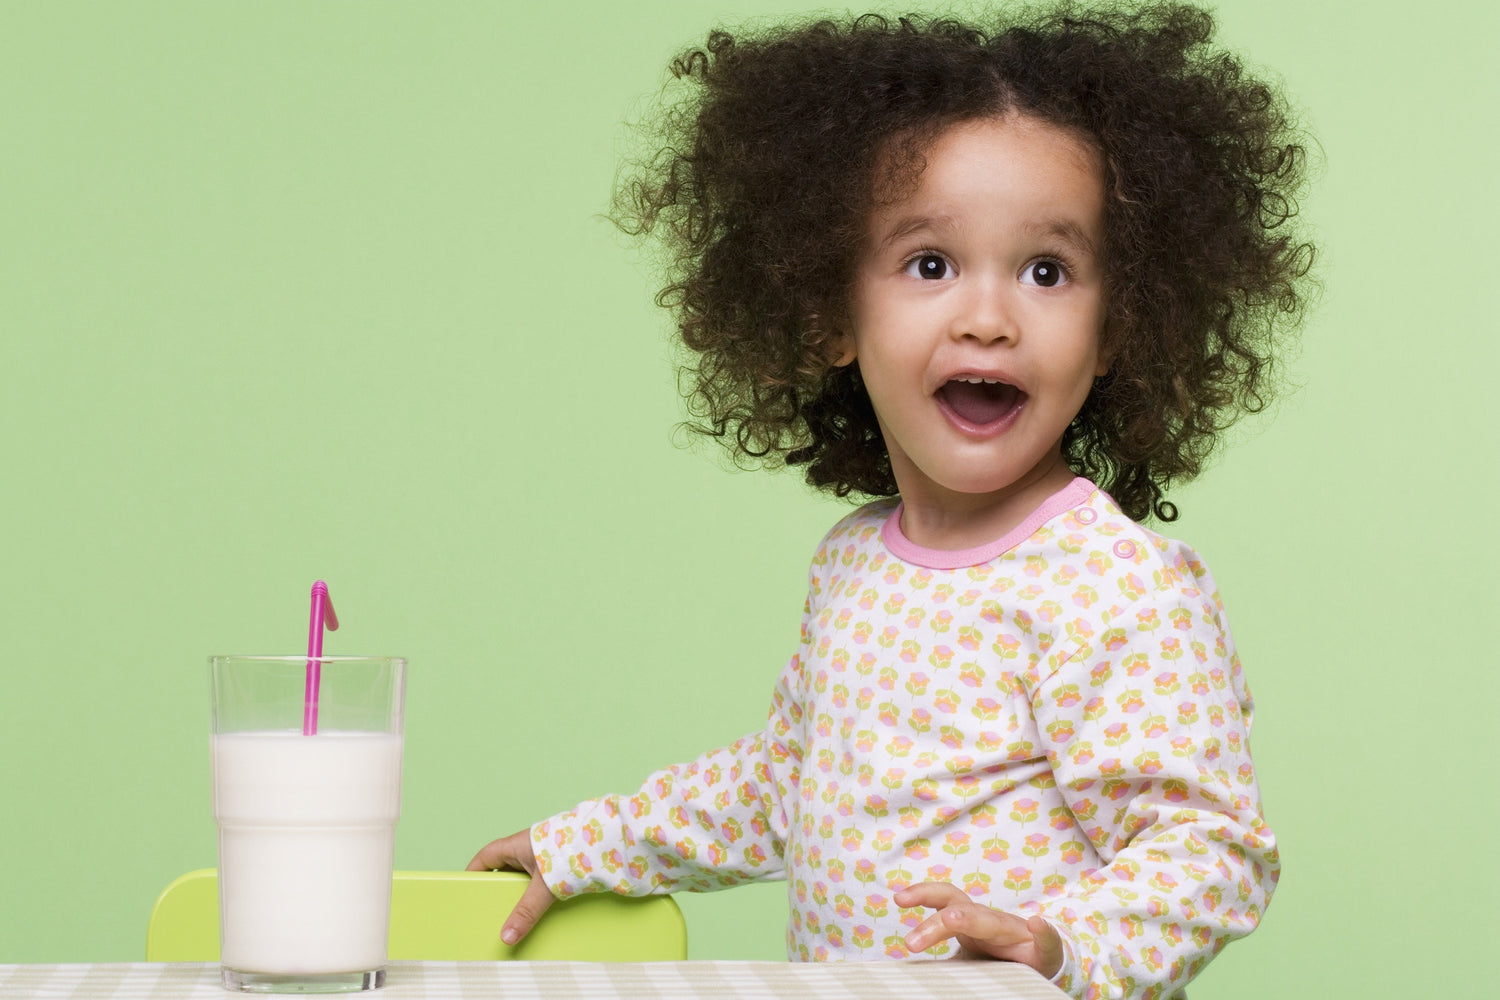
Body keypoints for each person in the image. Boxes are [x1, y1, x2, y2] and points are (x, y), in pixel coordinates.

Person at [470, 4, 1313, 997]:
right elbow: (789, 787)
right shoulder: (855, 559)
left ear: (1116, 324)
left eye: (1047, 270)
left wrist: (1057, 942)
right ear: (830, 310)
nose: (989, 317)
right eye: (930, 264)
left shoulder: (1114, 584)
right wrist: (588, 845)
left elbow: (1207, 850)